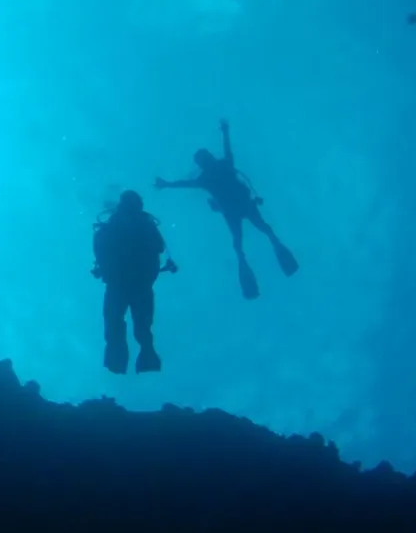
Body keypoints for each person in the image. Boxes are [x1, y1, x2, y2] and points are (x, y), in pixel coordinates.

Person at [154, 119, 298, 300]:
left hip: (233, 210)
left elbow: (184, 183)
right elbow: (225, 152)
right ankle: (266, 255)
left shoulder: (208, 176)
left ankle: (247, 265)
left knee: (243, 239)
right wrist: (225, 131)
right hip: (241, 205)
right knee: (261, 230)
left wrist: (166, 184)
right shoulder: (222, 166)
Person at [92, 190, 176, 374]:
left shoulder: (115, 224)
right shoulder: (146, 224)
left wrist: (103, 269)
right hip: (140, 285)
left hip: (119, 285)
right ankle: (145, 361)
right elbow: (160, 247)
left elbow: (100, 247)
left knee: (116, 324)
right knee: (142, 326)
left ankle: (118, 364)